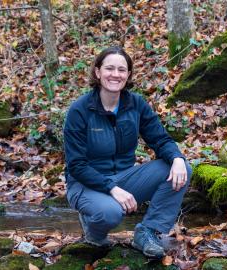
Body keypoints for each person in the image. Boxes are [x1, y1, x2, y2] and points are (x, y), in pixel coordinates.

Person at [64, 46, 192, 258]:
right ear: (97, 72)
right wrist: (112, 188)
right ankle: (93, 233)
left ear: (128, 75)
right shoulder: (80, 110)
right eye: (109, 68)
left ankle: (147, 232)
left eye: (121, 70)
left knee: (181, 167)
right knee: (111, 213)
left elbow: (160, 139)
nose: (115, 74)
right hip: (85, 184)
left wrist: (177, 157)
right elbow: (76, 165)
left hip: (124, 178)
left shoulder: (136, 104)